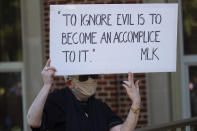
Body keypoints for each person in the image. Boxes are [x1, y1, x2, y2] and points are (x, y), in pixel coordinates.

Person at [27, 59, 141, 131]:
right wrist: (46, 85)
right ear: (70, 83)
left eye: (94, 75)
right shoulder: (57, 100)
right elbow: (33, 121)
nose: (90, 79)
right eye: (84, 77)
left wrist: (136, 102)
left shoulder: (100, 107)